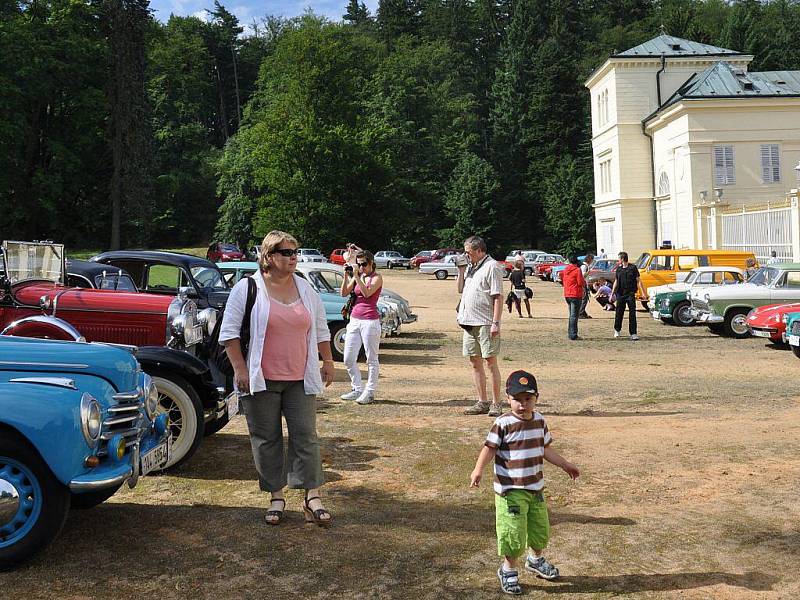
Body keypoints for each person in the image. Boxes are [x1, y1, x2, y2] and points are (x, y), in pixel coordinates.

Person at [220, 230, 335, 527]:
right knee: (266, 440)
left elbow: (321, 329)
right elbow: (229, 334)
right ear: (269, 256)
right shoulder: (247, 288)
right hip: (260, 379)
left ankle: (313, 496)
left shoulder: (306, 289)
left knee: (305, 435)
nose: (293, 258)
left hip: (300, 378)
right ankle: (276, 497)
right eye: (286, 253)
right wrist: (240, 370)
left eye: (295, 252)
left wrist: (328, 360)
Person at [470, 370, 580, 596]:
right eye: (517, 400)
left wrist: (565, 464)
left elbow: (545, 449)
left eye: (528, 399)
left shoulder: (539, 421)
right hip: (511, 490)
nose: (522, 404)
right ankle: (508, 569)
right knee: (513, 533)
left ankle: (535, 559)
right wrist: (478, 470)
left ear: (536, 398)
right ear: (507, 399)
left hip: (535, 488)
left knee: (539, 529)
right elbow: (489, 448)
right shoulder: (503, 423)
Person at [457, 235, 504, 416]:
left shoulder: (492, 267)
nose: (466, 255)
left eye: (468, 252)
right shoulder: (471, 267)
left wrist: (496, 323)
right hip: (468, 322)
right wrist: (461, 270)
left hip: (485, 323)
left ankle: (496, 403)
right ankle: (482, 401)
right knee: (474, 362)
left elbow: (498, 296)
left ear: (479, 250)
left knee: (490, 362)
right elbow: (460, 289)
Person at [340, 249, 383, 405]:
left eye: (364, 264)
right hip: (355, 319)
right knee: (348, 358)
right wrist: (347, 275)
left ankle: (370, 391)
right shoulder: (360, 276)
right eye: (358, 264)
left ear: (372, 263)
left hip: (370, 321)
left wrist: (357, 276)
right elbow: (344, 293)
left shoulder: (376, 277)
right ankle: (357, 388)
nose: (361, 267)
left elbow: (366, 293)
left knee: (371, 358)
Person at [610, 251, 645, 341]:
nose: (618, 260)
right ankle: (617, 330)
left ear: (622, 259)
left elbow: (638, 281)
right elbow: (616, 282)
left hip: (630, 294)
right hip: (620, 294)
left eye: (619, 259)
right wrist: (612, 294)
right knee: (619, 313)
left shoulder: (633, 268)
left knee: (632, 313)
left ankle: (633, 333)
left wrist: (643, 293)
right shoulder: (619, 269)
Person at [561, 256, 585, 341]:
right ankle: (573, 334)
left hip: (567, 294)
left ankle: (570, 333)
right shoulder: (577, 270)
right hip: (575, 294)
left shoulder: (566, 270)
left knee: (571, 315)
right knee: (574, 316)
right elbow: (580, 282)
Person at [578, 254, 595, 319]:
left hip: (585, 284)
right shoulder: (584, 266)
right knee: (584, 299)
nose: (592, 261)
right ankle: (581, 313)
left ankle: (583, 312)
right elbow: (583, 276)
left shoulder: (586, 266)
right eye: (592, 259)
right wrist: (588, 271)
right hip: (583, 284)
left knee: (584, 299)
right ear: (590, 259)